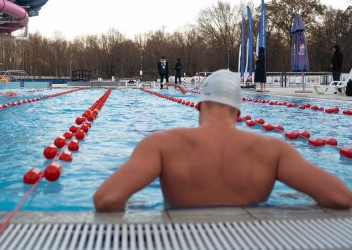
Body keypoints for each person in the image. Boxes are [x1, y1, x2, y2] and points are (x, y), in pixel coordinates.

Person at [93, 69, 352, 212]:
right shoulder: (274, 151)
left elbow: (107, 199)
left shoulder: (161, 145)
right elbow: (340, 197)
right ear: (238, 111)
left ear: (199, 105)